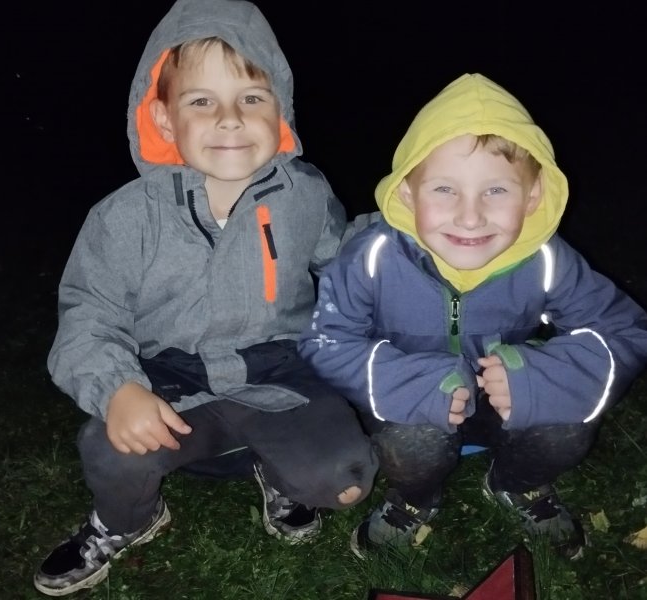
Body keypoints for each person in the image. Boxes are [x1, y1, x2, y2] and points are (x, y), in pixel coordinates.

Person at [33, 0, 378, 595]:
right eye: (201, 101)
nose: (230, 119)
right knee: (111, 450)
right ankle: (126, 521)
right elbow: (89, 314)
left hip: (280, 372)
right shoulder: (123, 217)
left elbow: (345, 260)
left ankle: (277, 468)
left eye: (252, 97)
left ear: (280, 108)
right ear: (163, 118)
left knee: (345, 481)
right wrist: (119, 389)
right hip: (172, 380)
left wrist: (403, 230)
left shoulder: (305, 193)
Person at [298, 73, 647, 561]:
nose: (469, 216)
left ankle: (516, 482)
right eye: (444, 188)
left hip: (504, 406)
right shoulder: (371, 258)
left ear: (532, 196)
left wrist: (541, 378)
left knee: (568, 427)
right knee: (410, 446)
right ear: (406, 193)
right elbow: (324, 341)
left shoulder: (546, 259)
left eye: (496, 190)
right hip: (413, 410)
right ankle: (415, 498)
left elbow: (626, 330)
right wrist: (412, 383)